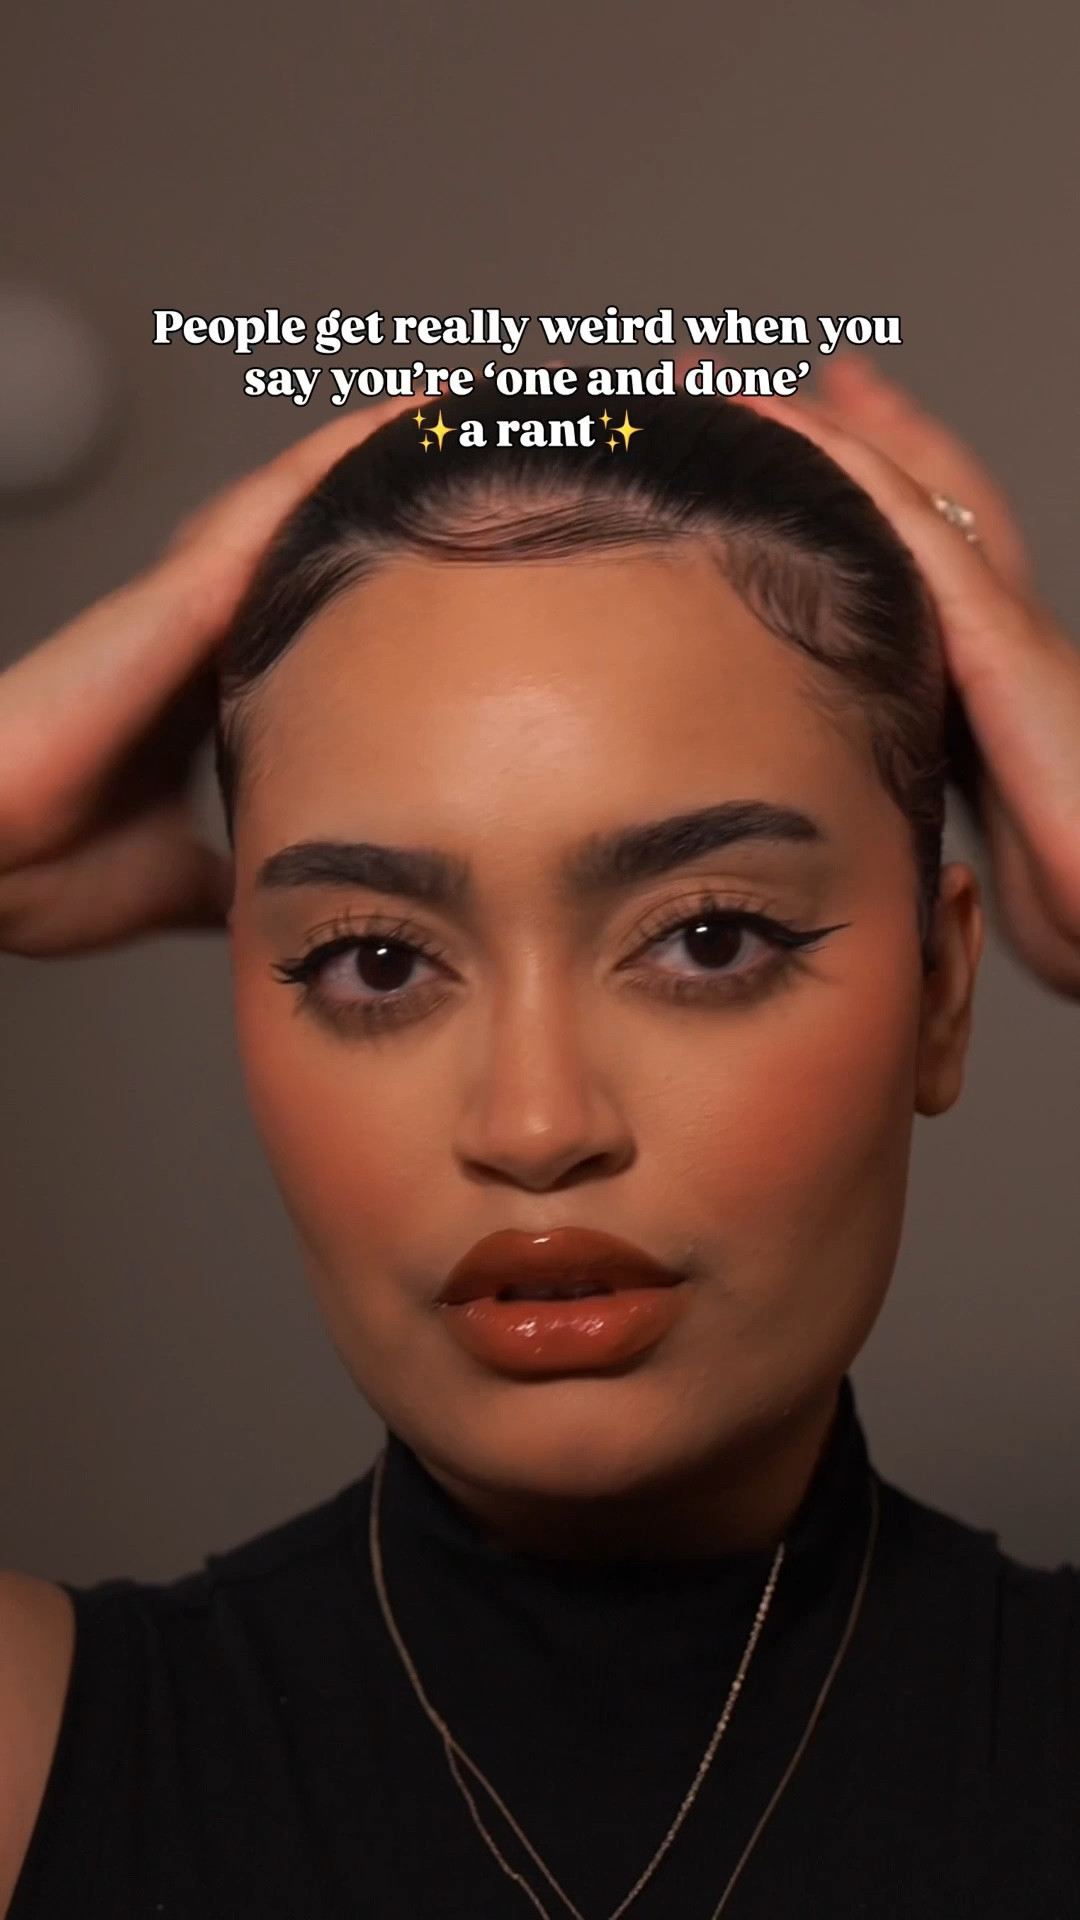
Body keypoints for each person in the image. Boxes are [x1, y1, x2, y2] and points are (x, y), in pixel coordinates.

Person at [0, 360, 1078, 1920]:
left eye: (708, 939)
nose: (536, 1127)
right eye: (377, 961)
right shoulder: (35, 1763)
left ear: (939, 996)